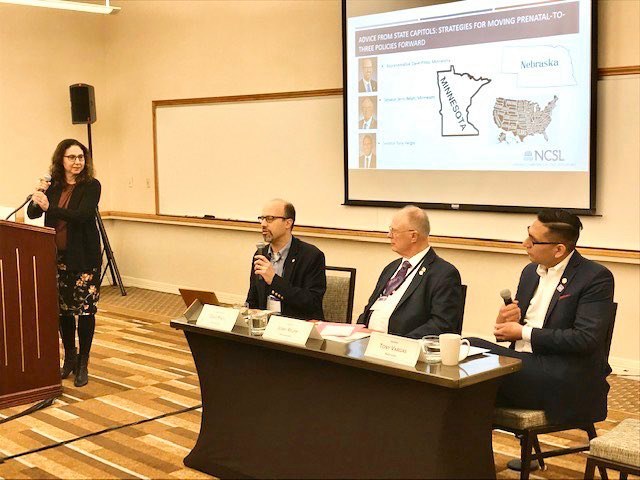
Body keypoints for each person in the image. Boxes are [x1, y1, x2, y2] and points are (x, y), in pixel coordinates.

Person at [471, 209, 615, 424]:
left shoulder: (595, 277)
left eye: (533, 240)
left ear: (559, 249)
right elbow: (515, 333)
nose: (525, 243)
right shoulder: (530, 272)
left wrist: (523, 332)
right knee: (466, 350)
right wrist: (505, 324)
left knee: (472, 375)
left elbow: (585, 339)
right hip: (522, 364)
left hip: (562, 376)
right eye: (527, 234)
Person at [27, 139, 101, 388]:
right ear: (61, 160)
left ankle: (83, 363)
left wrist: (51, 207)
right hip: (56, 257)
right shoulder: (54, 186)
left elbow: (82, 216)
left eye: (81, 157)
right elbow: (34, 214)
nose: (77, 162)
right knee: (64, 311)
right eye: (72, 157)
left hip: (84, 258)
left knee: (86, 311)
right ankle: (69, 358)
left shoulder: (91, 185)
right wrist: (38, 197)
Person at [357, 206, 463, 338]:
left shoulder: (443, 274)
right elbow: (370, 308)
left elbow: (441, 325)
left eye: (394, 231)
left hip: (400, 346)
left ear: (413, 236)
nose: (389, 235)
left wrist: (397, 341)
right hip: (365, 340)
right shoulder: (391, 268)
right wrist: (356, 331)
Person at [246, 199, 326, 320]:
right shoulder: (261, 254)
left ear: (288, 223)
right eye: (261, 219)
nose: (263, 224)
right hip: (265, 325)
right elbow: (252, 300)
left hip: (296, 325)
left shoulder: (311, 255)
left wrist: (274, 280)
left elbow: (312, 303)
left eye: (270, 219)